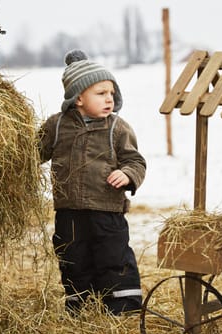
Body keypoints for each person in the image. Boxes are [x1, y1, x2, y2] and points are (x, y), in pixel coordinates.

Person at [38, 49, 146, 316]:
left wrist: (128, 175)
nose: (109, 99)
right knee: (73, 258)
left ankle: (123, 307)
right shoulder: (57, 125)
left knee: (114, 258)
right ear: (78, 99)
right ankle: (80, 305)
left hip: (106, 210)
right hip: (69, 210)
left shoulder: (117, 128)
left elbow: (136, 161)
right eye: (101, 93)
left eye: (111, 93)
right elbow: (34, 151)